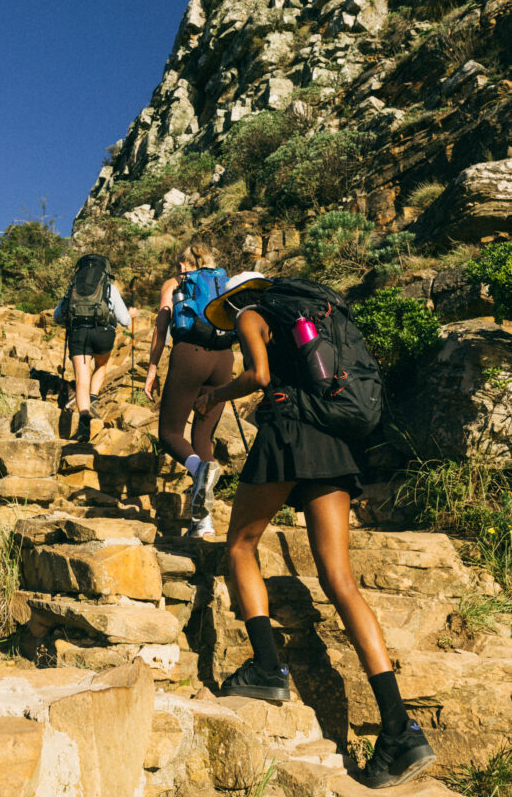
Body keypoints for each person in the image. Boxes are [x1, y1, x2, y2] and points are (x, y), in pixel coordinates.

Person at [195, 271, 436, 789]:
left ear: (239, 297)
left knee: (239, 545)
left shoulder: (251, 315)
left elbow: (259, 377)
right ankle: (399, 729)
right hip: (331, 438)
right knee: (340, 580)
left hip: (287, 433)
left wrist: (216, 395)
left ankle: (265, 667)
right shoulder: (312, 316)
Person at [144, 241, 233, 538]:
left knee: (169, 434)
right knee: (202, 436)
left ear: (183, 264)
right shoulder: (224, 282)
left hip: (189, 355)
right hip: (223, 358)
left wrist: (153, 368)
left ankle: (199, 471)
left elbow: (162, 326)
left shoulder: (176, 282)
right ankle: (203, 523)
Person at [54, 255, 138, 442]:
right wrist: (131, 314)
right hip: (103, 333)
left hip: (78, 335)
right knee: (101, 364)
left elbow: (57, 316)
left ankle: (84, 421)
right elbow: (124, 320)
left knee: (81, 379)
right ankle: (93, 398)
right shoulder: (109, 286)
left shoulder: (73, 286)